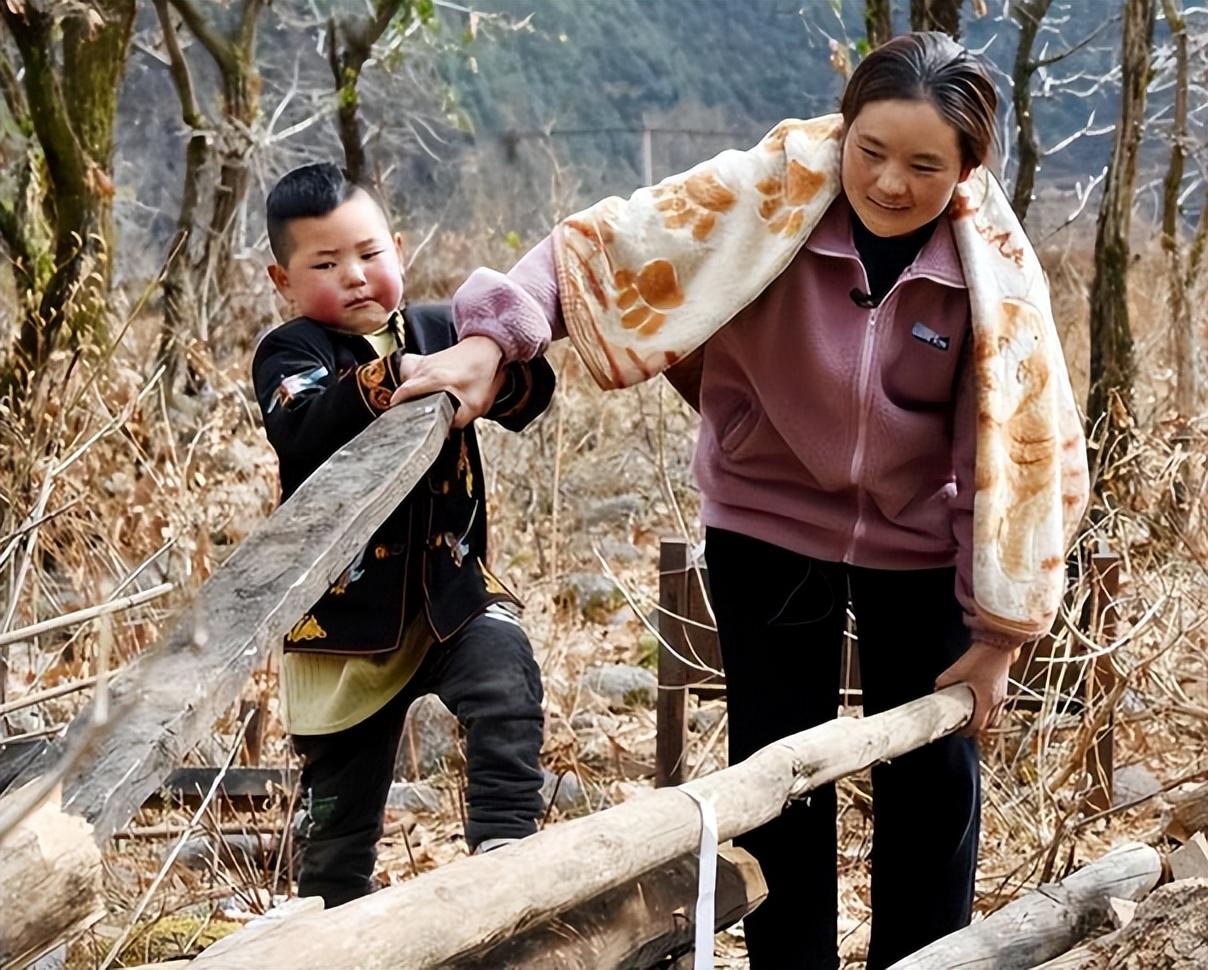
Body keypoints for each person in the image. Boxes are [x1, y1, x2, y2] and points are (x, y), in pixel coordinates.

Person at [391, 31, 1090, 969]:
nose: (889, 182)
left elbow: (1017, 446)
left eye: (925, 164)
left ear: (966, 170)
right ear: (841, 133)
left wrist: (999, 634)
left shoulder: (989, 274)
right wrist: (492, 342)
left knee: (933, 778)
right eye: (870, 150)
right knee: (779, 770)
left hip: (921, 536)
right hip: (767, 516)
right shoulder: (766, 194)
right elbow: (599, 248)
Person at [251, 162, 554, 909]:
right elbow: (302, 425)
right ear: (281, 280)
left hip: (449, 586)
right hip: (347, 618)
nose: (354, 276)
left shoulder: (442, 327)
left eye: (368, 254)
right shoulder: (291, 353)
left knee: (504, 675)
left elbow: (530, 391)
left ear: (400, 247)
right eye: (324, 264)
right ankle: (334, 920)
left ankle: (505, 842)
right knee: (339, 816)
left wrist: (493, 371)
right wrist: (396, 376)